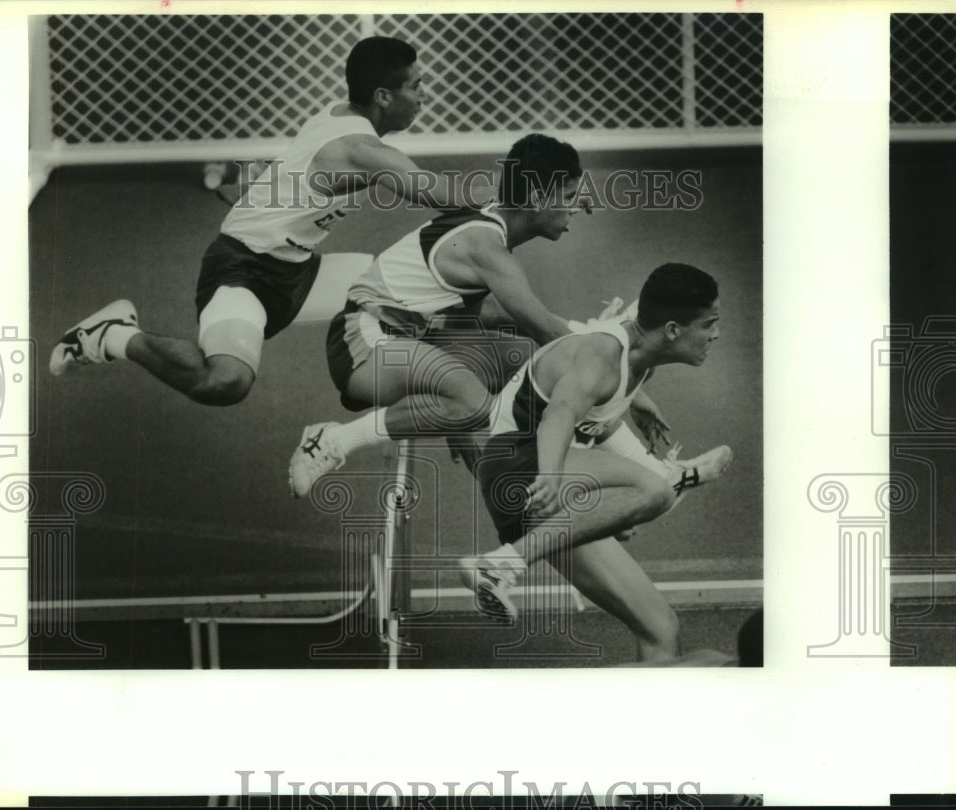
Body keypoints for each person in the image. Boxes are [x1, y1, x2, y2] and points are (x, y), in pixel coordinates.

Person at [49, 37, 488, 405]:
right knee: (224, 381)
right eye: (417, 86)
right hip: (244, 272)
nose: (424, 96)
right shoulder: (359, 147)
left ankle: (490, 371)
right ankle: (114, 335)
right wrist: (518, 195)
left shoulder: (346, 114)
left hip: (299, 270)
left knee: (423, 291)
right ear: (383, 97)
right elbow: (440, 194)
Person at [289, 133, 598, 496]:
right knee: (477, 401)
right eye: (568, 198)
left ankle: (643, 468)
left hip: (412, 340)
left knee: (536, 365)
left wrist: (456, 421)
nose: (577, 208)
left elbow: (470, 329)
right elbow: (547, 330)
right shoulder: (485, 247)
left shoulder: (490, 231)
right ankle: (332, 440)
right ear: (535, 199)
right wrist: (618, 363)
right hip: (363, 340)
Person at [458, 263, 732, 663]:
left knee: (660, 629)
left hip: (534, 492)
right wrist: (551, 479)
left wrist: (606, 513)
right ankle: (500, 565)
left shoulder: (639, 361)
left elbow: (590, 422)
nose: (716, 334)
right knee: (654, 488)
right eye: (710, 324)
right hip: (519, 464)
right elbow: (561, 413)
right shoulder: (603, 353)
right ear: (672, 329)